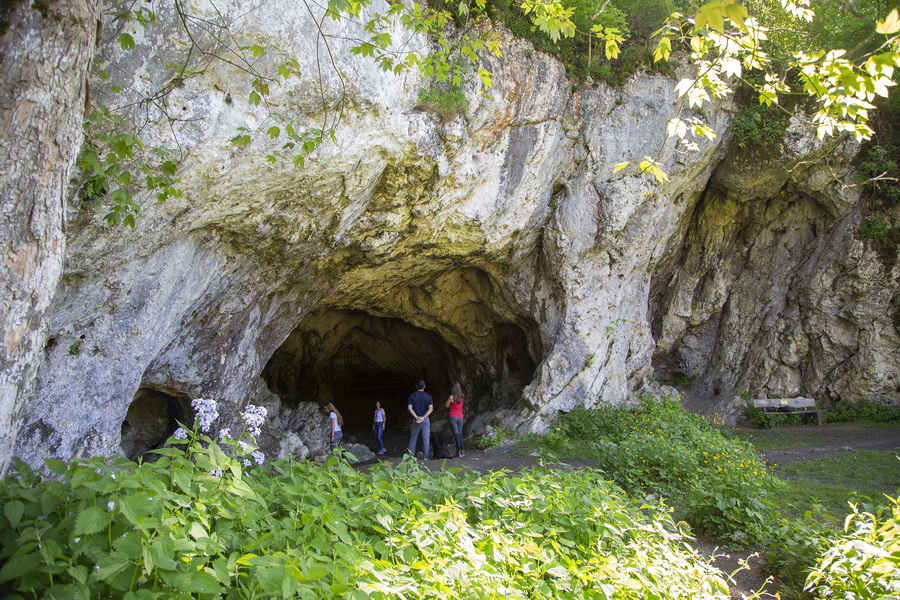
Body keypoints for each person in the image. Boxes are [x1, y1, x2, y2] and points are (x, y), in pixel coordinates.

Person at [407, 380, 433, 460]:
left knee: (413, 438)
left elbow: (409, 408)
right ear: (424, 387)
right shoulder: (428, 396)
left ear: (416, 386)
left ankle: (410, 457)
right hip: (425, 419)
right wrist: (423, 417)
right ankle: (426, 457)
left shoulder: (412, 396)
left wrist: (416, 417)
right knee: (426, 438)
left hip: (416, 419)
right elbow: (430, 409)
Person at [445, 380, 465, 457]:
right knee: (460, 434)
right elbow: (460, 406)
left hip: (453, 417)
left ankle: (458, 452)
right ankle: (462, 451)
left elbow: (446, 405)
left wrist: (452, 406)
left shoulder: (451, 397)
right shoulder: (462, 397)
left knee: (456, 434)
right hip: (460, 417)